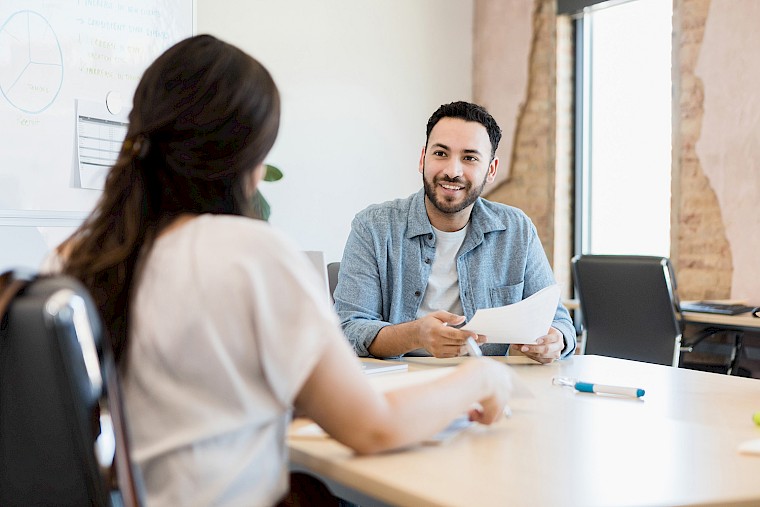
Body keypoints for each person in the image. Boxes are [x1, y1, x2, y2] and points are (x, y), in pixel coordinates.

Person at [54, 36, 514, 506]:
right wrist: (482, 380)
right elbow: (373, 426)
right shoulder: (250, 254)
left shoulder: (95, 255)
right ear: (245, 157)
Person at [333, 101, 575, 363]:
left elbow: (559, 322)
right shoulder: (373, 227)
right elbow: (349, 330)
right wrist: (415, 335)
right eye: (440, 154)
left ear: (491, 170)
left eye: (469, 158)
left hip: (484, 385)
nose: (452, 171)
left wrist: (555, 341)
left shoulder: (517, 230)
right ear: (422, 158)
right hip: (398, 387)